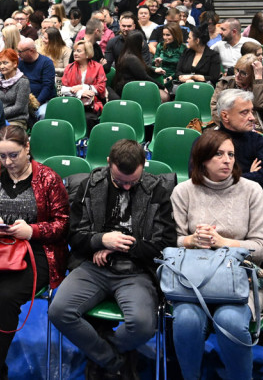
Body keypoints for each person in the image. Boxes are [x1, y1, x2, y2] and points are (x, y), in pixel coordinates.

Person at [49, 139, 176, 380]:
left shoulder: (157, 190)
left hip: (136, 271)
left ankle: (101, 353)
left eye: (133, 182)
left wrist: (121, 246)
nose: (127, 187)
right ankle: (112, 359)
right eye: (120, 181)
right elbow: (74, 235)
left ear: (143, 166)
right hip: (93, 267)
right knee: (59, 311)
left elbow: (164, 245)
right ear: (109, 164)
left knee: (142, 325)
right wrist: (100, 240)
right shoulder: (89, 186)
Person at [0, 125, 69, 380]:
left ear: (27, 148)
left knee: (5, 298)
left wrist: (32, 231)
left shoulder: (48, 178)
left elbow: (63, 224)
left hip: (35, 250)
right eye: (2, 156)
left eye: (14, 155)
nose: (7, 162)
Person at [170, 129, 263, 380]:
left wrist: (224, 242)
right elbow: (169, 243)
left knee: (229, 320)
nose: (227, 160)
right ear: (202, 159)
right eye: (219, 154)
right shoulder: (183, 192)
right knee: (186, 319)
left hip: (240, 280)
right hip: (193, 280)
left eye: (231, 154)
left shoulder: (252, 191)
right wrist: (191, 240)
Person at [211, 89, 263, 194]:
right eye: (245, 113)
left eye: (252, 111)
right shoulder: (207, 142)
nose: (252, 118)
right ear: (225, 116)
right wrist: (249, 175)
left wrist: (223, 179)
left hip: (249, 204)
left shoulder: (258, 141)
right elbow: (197, 178)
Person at [60, 39, 108, 121]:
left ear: (87, 54)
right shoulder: (69, 67)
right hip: (72, 102)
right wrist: (80, 93)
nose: (75, 53)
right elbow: (63, 89)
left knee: (88, 118)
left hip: (91, 104)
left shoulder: (98, 67)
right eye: (74, 51)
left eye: (78, 51)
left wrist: (83, 87)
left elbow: (101, 88)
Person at [0, 48, 30, 129]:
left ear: (15, 64)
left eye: (5, 63)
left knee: (3, 134)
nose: (1, 66)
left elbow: (19, 107)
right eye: (0, 64)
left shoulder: (23, 82)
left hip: (16, 120)